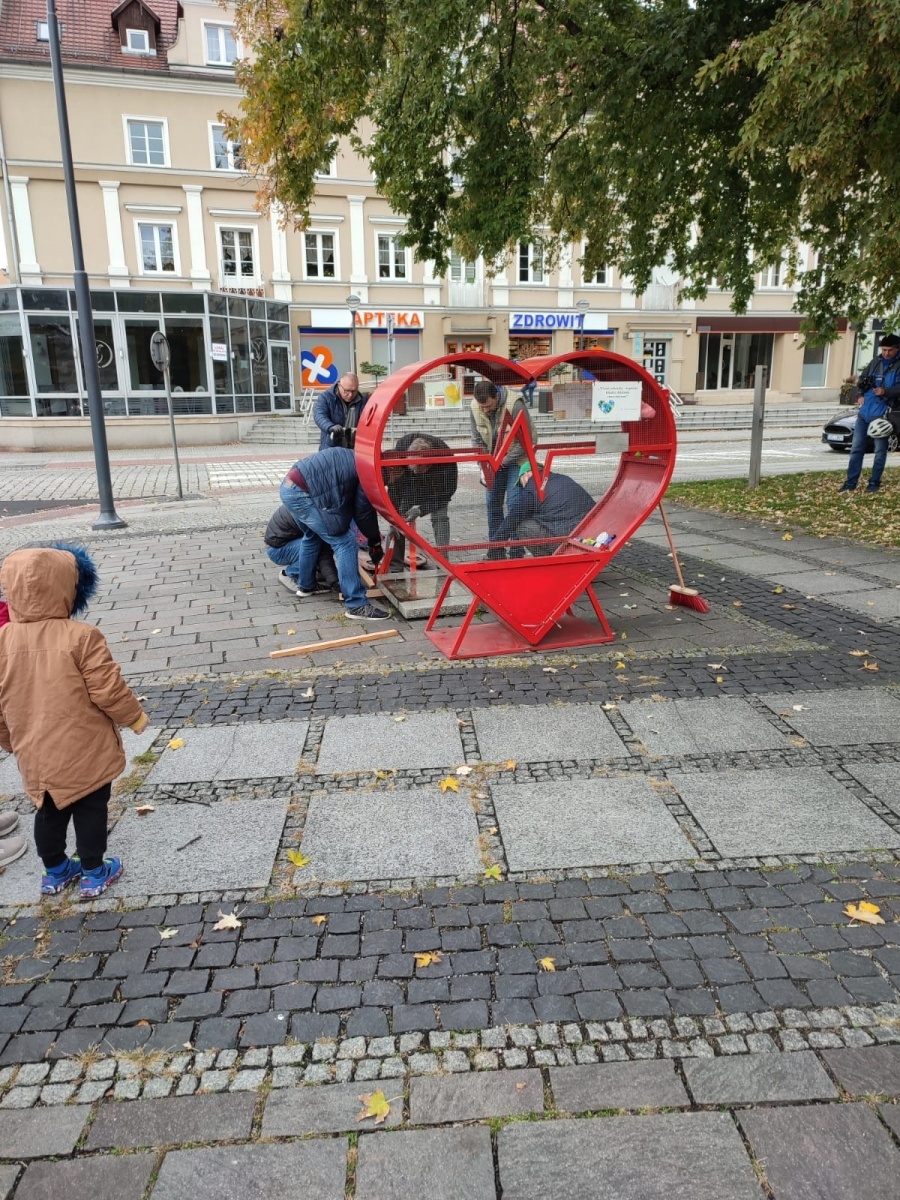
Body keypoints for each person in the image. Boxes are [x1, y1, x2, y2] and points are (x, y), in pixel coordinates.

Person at [0, 544, 149, 898]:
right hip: (85, 748)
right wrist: (135, 717)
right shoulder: (81, 636)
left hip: (34, 750)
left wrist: (8, 739)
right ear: (69, 587)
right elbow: (107, 688)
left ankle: (54, 871)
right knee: (91, 807)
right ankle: (94, 871)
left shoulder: (2, 640)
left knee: (47, 809)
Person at [279, 447, 390, 620]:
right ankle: (356, 605)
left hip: (289, 486)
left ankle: (306, 586)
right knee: (346, 543)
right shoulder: (369, 471)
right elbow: (363, 512)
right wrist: (374, 541)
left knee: (312, 537)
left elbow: (348, 503)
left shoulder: (360, 458)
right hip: (303, 493)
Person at [470, 379, 536, 559]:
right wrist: (483, 463)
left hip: (516, 459)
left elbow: (526, 440)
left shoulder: (515, 404)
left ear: (497, 395)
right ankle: (496, 550)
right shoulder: (475, 407)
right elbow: (476, 439)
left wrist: (502, 461)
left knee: (514, 505)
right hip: (492, 461)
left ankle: (516, 550)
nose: (485, 410)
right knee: (493, 504)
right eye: (482, 406)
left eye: (489, 406)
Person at [491, 461, 595, 557]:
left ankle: (549, 562)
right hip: (592, 536)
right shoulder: (562, 478)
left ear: (526, 475)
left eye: (521, 483)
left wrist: (494, 548)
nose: (522, 487)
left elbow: (512, 519)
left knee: (522, 526)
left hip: (568, 538)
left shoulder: (532, 487)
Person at [386, 434, 458, 568]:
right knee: (399, 518)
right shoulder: (402, 446)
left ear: (429, 463)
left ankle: (442, 562)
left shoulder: (446, 458)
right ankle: (395, 565)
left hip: (437, 489)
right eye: (412, 467)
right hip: (409, 485)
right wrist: (393, 514)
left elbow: (447, 494)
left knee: (440, 518)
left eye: (419, 469)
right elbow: (395, 485)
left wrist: (421, 509)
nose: (415, 472)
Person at [840, 333, 900, 494]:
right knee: (856, 449)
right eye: (884, 350)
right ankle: (850, 482)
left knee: (880, 451)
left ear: (897, 349)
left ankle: (874, 482)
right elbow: (863, 381)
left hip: (883, 416)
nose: (886, 353)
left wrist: (886, 391)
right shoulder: (875, 361)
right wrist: (859, 395)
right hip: (864, 413)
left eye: (890, 350)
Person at [264, 504, 339, 595]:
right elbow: (322, 550)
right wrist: (335, 582)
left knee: (318, 545)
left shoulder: (308, 501)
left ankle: (318, 573)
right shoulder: (313, 513)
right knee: (315, 547)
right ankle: (289, 574)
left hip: (279, 544)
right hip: (277, 550)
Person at [313, 373, 370, 450]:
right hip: (331, 449)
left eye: (354, 391)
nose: (350, 395)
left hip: (354, 450)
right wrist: (330, 427)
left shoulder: (363, 400)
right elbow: (319, 415)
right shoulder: (325, 397)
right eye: (347, 391)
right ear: (339, 385)